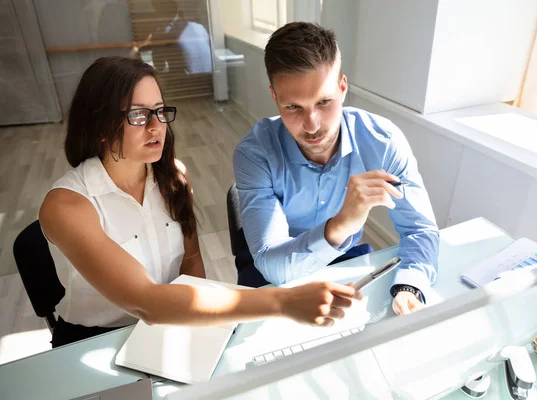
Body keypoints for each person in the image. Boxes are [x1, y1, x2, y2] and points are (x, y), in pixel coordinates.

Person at [39, 56, 360, 348]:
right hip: (94, 342)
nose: (156, 127)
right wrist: (282, 302)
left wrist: (204, 327)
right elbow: (146, 301)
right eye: (138, 115)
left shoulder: (173, 177)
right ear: (101, 125)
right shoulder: (66, 207)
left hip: (169, 325)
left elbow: (191, 261)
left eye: (160, 111)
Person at [233, 22, 439, 316]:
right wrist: (340, 224)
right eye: (293, 107)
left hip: (345, 258)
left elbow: (419, 227)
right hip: (272, 267)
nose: (312, 125)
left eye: (324, 102)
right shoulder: (254, 153)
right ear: (275, 98)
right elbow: (271, 265)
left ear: (343, 88)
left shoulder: (383, 141)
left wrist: (411, 285)